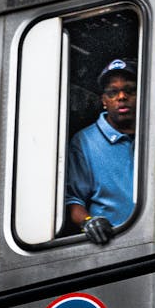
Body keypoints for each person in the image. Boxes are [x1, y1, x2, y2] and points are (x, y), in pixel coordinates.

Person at [65, 58, 137, 245]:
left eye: (129, 90)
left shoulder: (154, 132)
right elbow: (74, 200)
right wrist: (89, 222)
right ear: (104, 101)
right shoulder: (84, 141)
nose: (122, 97)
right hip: (111, 244)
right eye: (113, 92)